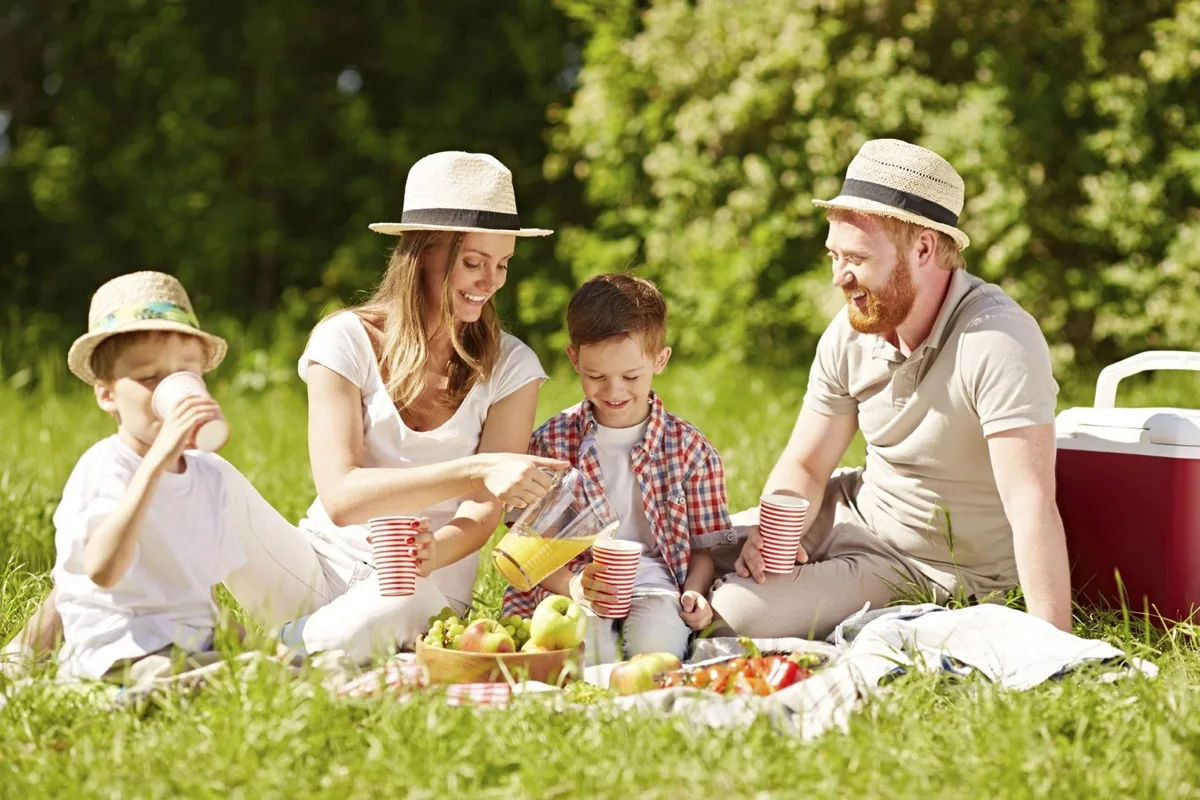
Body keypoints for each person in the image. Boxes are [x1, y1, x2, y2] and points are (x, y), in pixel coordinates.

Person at [2, 151, 569, 670]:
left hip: (422, 588)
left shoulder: (512, 366)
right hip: (314, 566)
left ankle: (271, 662)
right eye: (474, 261)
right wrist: (475, 469)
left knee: (401, 600)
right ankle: (29, 647)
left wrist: (434, 551)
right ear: (424, 252)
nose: (490, 282)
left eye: (503, 264)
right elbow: (342, 498)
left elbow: (484, 513)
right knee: (199, 474)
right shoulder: (345, 340)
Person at [709, 139, 1073, 640]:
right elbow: (808, 465)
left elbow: (1030, 502)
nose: (839, 276)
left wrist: (1052, 645)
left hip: (930, 566)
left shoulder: (997, 339)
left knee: (734, 610)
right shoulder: (852, 328)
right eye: (834, 255)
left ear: (923, 248)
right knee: (694, 546)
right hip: (856, 508)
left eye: (856, 257)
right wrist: (775, 534)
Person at [501, 274, 736, 663]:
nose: (613, 391)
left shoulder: (691, 450)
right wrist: (572, 585)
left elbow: (702, 551)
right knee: (587, 656)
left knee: (656, 649)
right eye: (595, 377)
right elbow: (526, 547)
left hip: (655, 581)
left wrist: (694, 591)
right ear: (574, 358)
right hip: (575, 579)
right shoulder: (551, 444)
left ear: (660, 360)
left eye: (630, 376)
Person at [49, 271, 247, 683]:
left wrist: (241, 640)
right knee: (205, 674)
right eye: (148, 378)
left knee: (279, 664)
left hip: (188, 644)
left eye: (184, 374)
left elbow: (200, 589)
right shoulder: (106, 466)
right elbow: (102, 570)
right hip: (121, 649)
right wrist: (155, 463)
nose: (168, 390)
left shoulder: (209, 477)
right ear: (107, 395)